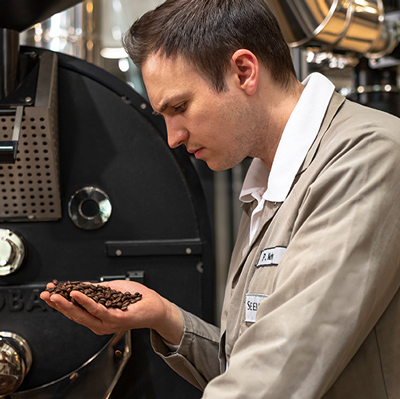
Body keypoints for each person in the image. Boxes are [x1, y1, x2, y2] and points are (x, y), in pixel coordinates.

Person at [41, 0, 400, 397]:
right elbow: (244, 361)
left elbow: (277, 372)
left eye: (180, 107)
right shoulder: (267, 183)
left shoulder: (368, 157)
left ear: (244, 71)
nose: (173, 137)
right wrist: (165, 317)